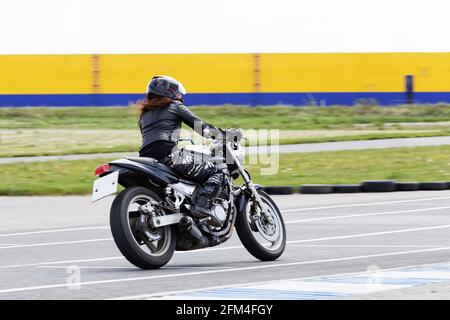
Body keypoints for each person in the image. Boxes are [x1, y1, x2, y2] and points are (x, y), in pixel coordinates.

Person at [134, 75, 230, 227]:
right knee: (219, 171)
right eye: (177, 92)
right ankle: (202, 205)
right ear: (170, 92)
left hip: (148, 159)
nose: (179, 95)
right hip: (170, 156)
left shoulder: (144, 115)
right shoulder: (174, 106)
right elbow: (201, 127)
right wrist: (225, 135)